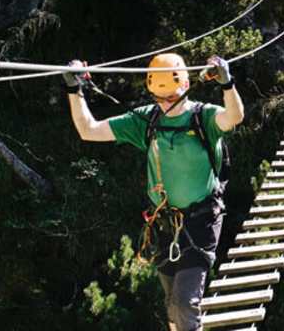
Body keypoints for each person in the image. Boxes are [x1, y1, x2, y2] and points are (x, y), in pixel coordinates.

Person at [64, 52, 244, 331]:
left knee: (185, 301)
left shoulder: (203, 117)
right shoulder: (146, 121)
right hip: (163, 225)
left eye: (170, 98)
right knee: (172, 302)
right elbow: (89, 130)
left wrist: (227, 84)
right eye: (160, 99)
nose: (165, 104)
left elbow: (233, 116)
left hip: (201, 220)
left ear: (184, 87)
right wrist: (74, 90)